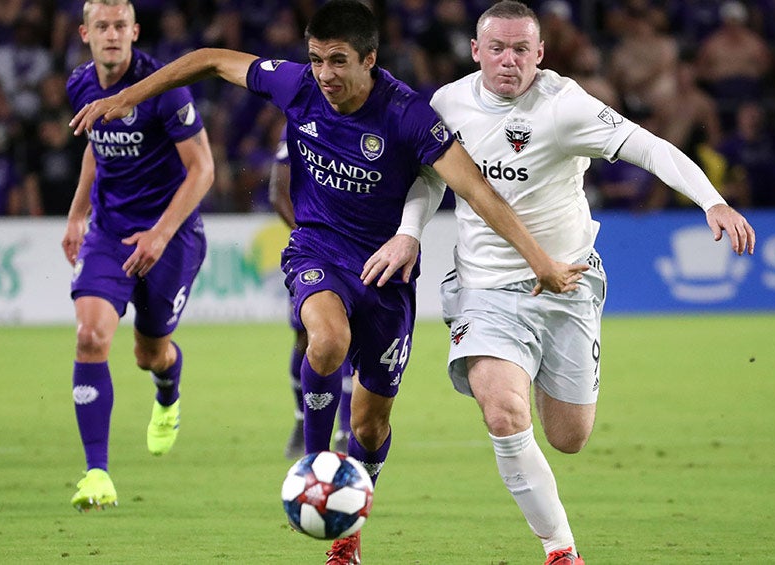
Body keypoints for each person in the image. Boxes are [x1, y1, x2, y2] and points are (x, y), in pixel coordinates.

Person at [70, 1, 586, 561]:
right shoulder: (298, 87)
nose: (324, 74)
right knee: (327, 339)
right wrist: (128, 97)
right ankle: (313, 471)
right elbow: (212, 60)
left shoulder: (408, 116)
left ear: (370, 59)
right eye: (316, 59)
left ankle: (348, 521)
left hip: (385, 275)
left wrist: (540, 260)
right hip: (317, 249)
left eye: (338, 61)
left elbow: (480, 192)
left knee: (369, 426)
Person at [417, 2, 756, 563]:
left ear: (540, 54)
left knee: (568, 437)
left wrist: (712, 200)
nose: (508, 60)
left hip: (566, 282)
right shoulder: (446, 103)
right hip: (485, 287)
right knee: (503, 410)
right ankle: (560, 550)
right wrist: (410, 232)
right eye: (496, 49)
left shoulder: (565, 105)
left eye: (521, 49)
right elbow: (430, 179)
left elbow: (648, 146)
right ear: (475, 51)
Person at [62, 0, 215, 512]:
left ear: (134, 31)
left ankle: (167, 391)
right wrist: (78, 212)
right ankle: (96, 473)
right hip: (109, 231)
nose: (111, 35)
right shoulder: (80, 84)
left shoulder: (164, 89)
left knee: (149, 353)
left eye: (119, 26)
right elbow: (95, 143)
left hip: (170, 232)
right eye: (101, 26)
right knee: (90, 335)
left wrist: (160, 234)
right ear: (85, 33)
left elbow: (203, 170)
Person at [269, 126, 353, 459]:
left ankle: (346, 430)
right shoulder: (301, 125)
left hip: (358, 251)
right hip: (314, 253)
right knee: (307, 338)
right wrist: (308, 236)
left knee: (347, 339)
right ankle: (302, 418)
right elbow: (278, 191)